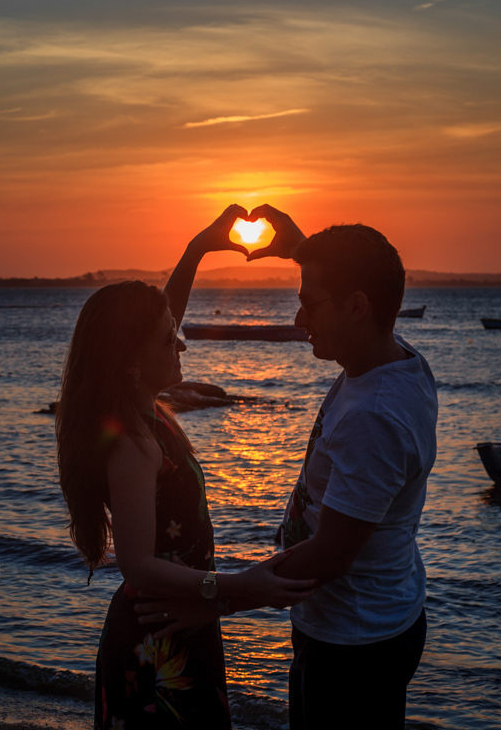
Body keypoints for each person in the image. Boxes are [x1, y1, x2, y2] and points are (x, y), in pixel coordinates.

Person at [56, 204, 319, 730]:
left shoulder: (142, 406)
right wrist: (238, 586)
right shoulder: (130, 441)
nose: (180, 341)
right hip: (156, 642)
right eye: (167, 338)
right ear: (132, 363)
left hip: (182, 621)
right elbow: (137, 564)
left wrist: (201, 245)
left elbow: (158, 317)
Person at [251, 205, 439, 730]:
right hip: (370, 619)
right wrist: (305, 251)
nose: (299, 320)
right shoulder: (398, 360)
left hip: (353, 645)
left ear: (357, 306)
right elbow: (362, 282)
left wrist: (219, 596)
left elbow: (331, 555)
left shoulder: (373, 416)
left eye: (309, 305)